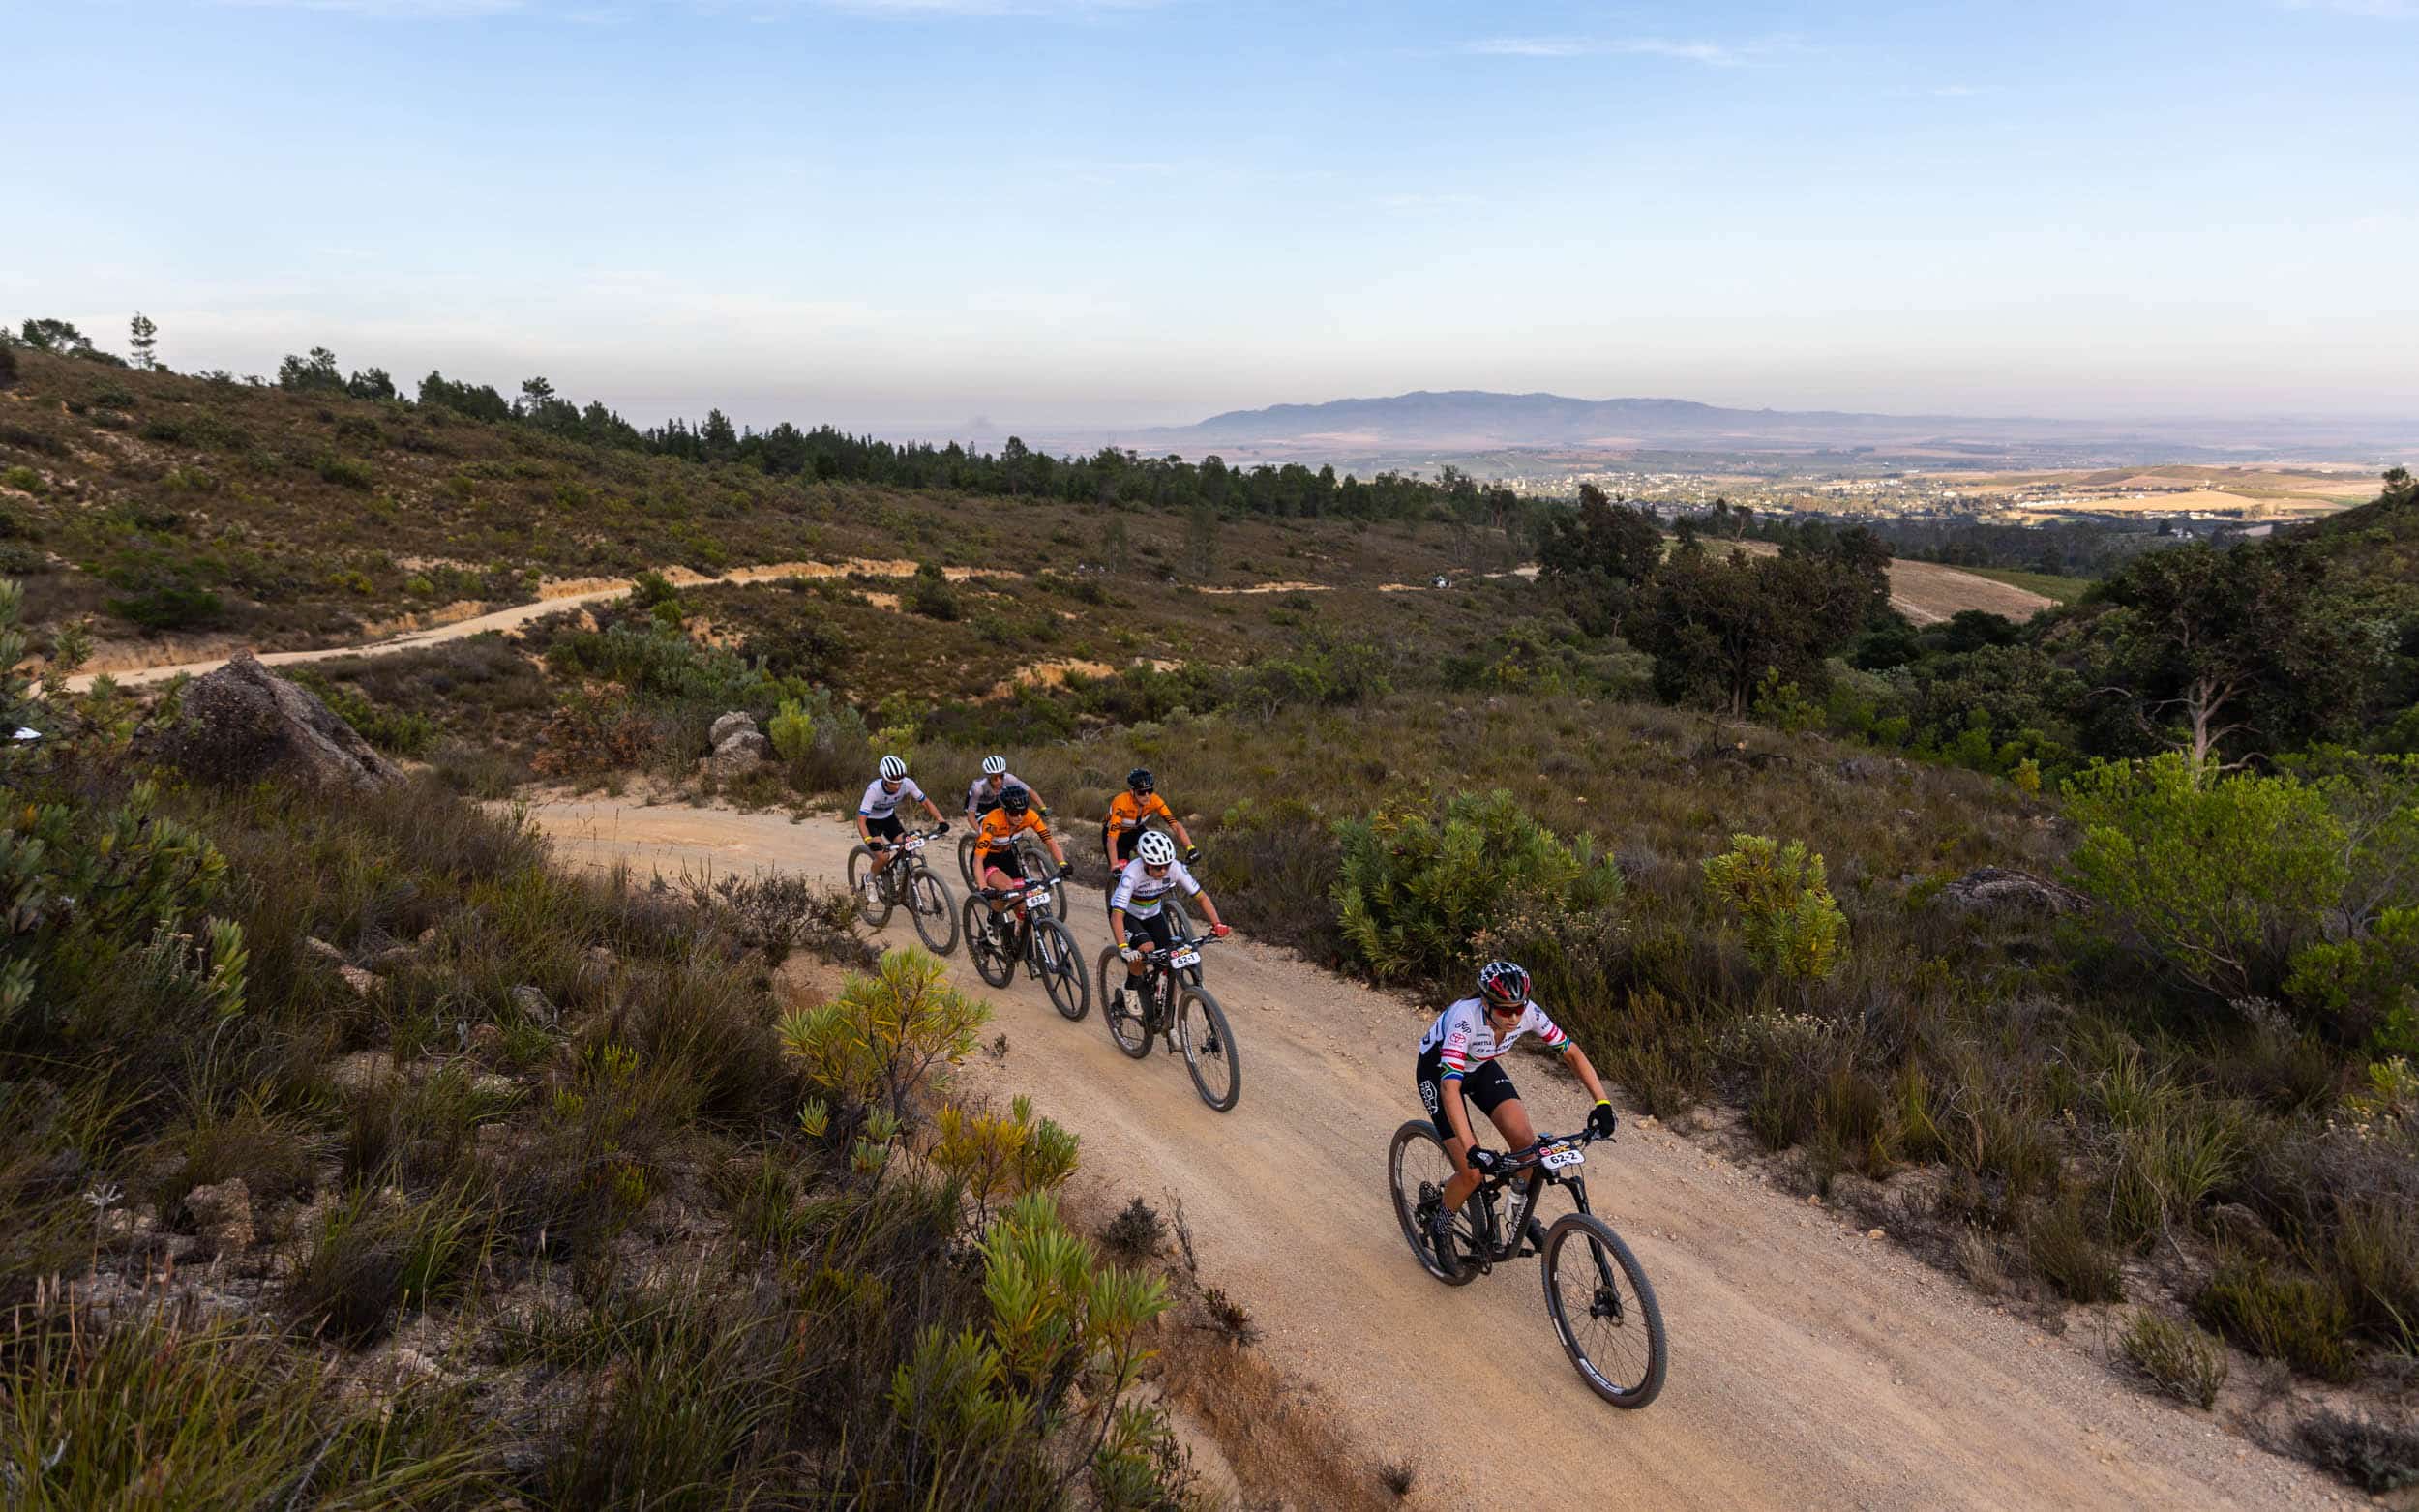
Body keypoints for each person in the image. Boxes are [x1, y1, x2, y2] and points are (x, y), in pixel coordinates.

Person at [1415, 959, 1619, 1277]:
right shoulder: (1465, 1019)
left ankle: (1518, 1212)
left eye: (1518, 1009)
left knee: (1526, 1145)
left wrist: (1602, 1102)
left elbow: (1572, 1053)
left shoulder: (1530, 1014)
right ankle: (1441, 1224)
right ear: (1485, 1002)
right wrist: (1472, 1149)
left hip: (1480, 1067)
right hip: (1438, 1074)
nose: (1513, 1017)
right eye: (1504, 1009)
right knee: (1471, 1173)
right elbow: (1450, 1087)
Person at [1107, 829, 1229, 1016]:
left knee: (1169, 961)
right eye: (1157, 867)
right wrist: (1124, 947)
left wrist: (1217, 924)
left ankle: (1169, 1023)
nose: (1163, 871)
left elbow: (1201, 897)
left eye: (1166, 865)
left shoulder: (1176, 868)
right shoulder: (1132, 873)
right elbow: (1117, 916)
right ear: (1145, 862)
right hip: (1128, 915)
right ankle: (1130, 987)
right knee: (1146, 948)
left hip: (1153, 914)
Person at [973, 783, 1069, 947]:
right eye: (1013, 812)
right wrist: (983, 888)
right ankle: (992, 919)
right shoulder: (992, 822)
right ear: (1004, 810)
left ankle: (1024, 945)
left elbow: (1049, 840)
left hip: (1007, 857)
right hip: (988, 858)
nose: (1019, 816)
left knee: (1023, 907)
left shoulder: (1030, 816)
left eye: (1022, 811)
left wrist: (1063, 863)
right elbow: (978, 860)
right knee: (1007, 888)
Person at [855, 755, 947, 897]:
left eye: (900, 782)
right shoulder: (873, 790)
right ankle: (869, 879)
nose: (897, 786)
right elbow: (861, 821)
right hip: (871, 822)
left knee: (907, 845)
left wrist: (941, 820)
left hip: (889, 819)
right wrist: (869, 840)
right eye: (893, 783)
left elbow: (925, 802)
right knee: (883, 856)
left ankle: (900, 872)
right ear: (885, 780)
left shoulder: (907, 783)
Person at [1102, 767, 1198, 874]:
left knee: (1158, 856)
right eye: (1142, 792)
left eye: (1149, 791)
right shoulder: (1121, 803)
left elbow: (1174, 825)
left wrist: (1191, 848)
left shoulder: (1155, 800)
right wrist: (1115, 866)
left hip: (1136, 831)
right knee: (1123, 873)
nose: (1147, 796)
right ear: (1132, 792)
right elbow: (1112, 838)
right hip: (1117, 836)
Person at [964, 754, 1048, 826]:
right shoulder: (978, 788)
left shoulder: (1009, 778)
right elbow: (970, 817)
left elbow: (1030, 791)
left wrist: (1043, 807)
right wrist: (980, 833)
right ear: (988, 776)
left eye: (1001, 776)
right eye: (994, 778)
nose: (999, 781)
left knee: (1008, 821)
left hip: (994, 801)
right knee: (989, 827)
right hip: (979, 807)